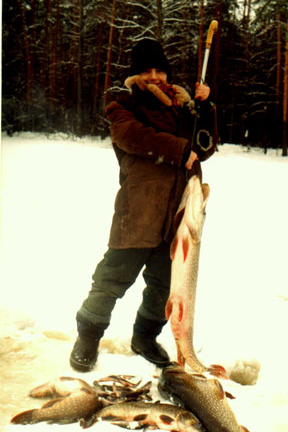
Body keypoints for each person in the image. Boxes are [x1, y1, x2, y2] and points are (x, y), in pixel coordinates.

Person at [70, 38, 217, 372]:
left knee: (164, 285)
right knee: (111, 278)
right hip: (139, 210)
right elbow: (130, 136)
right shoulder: (123, 103)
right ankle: (88, 337)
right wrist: (179, 148)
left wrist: (205, 108)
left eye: (159, 70)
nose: (154, 76)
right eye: (147, 71)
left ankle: (145, 337)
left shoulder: (184, 107)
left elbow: (204, 147)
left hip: (179, 212)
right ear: (136, 75)